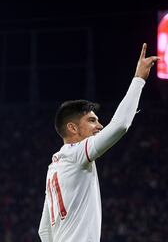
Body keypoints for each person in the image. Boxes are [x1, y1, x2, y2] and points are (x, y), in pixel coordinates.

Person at [38, 43, 159, 242]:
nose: (100, 126)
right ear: (73, 128)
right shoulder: (76, 153)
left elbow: (44, 231)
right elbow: (119, 126)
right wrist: (139, 79)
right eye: (92, 120)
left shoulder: (54, 168)